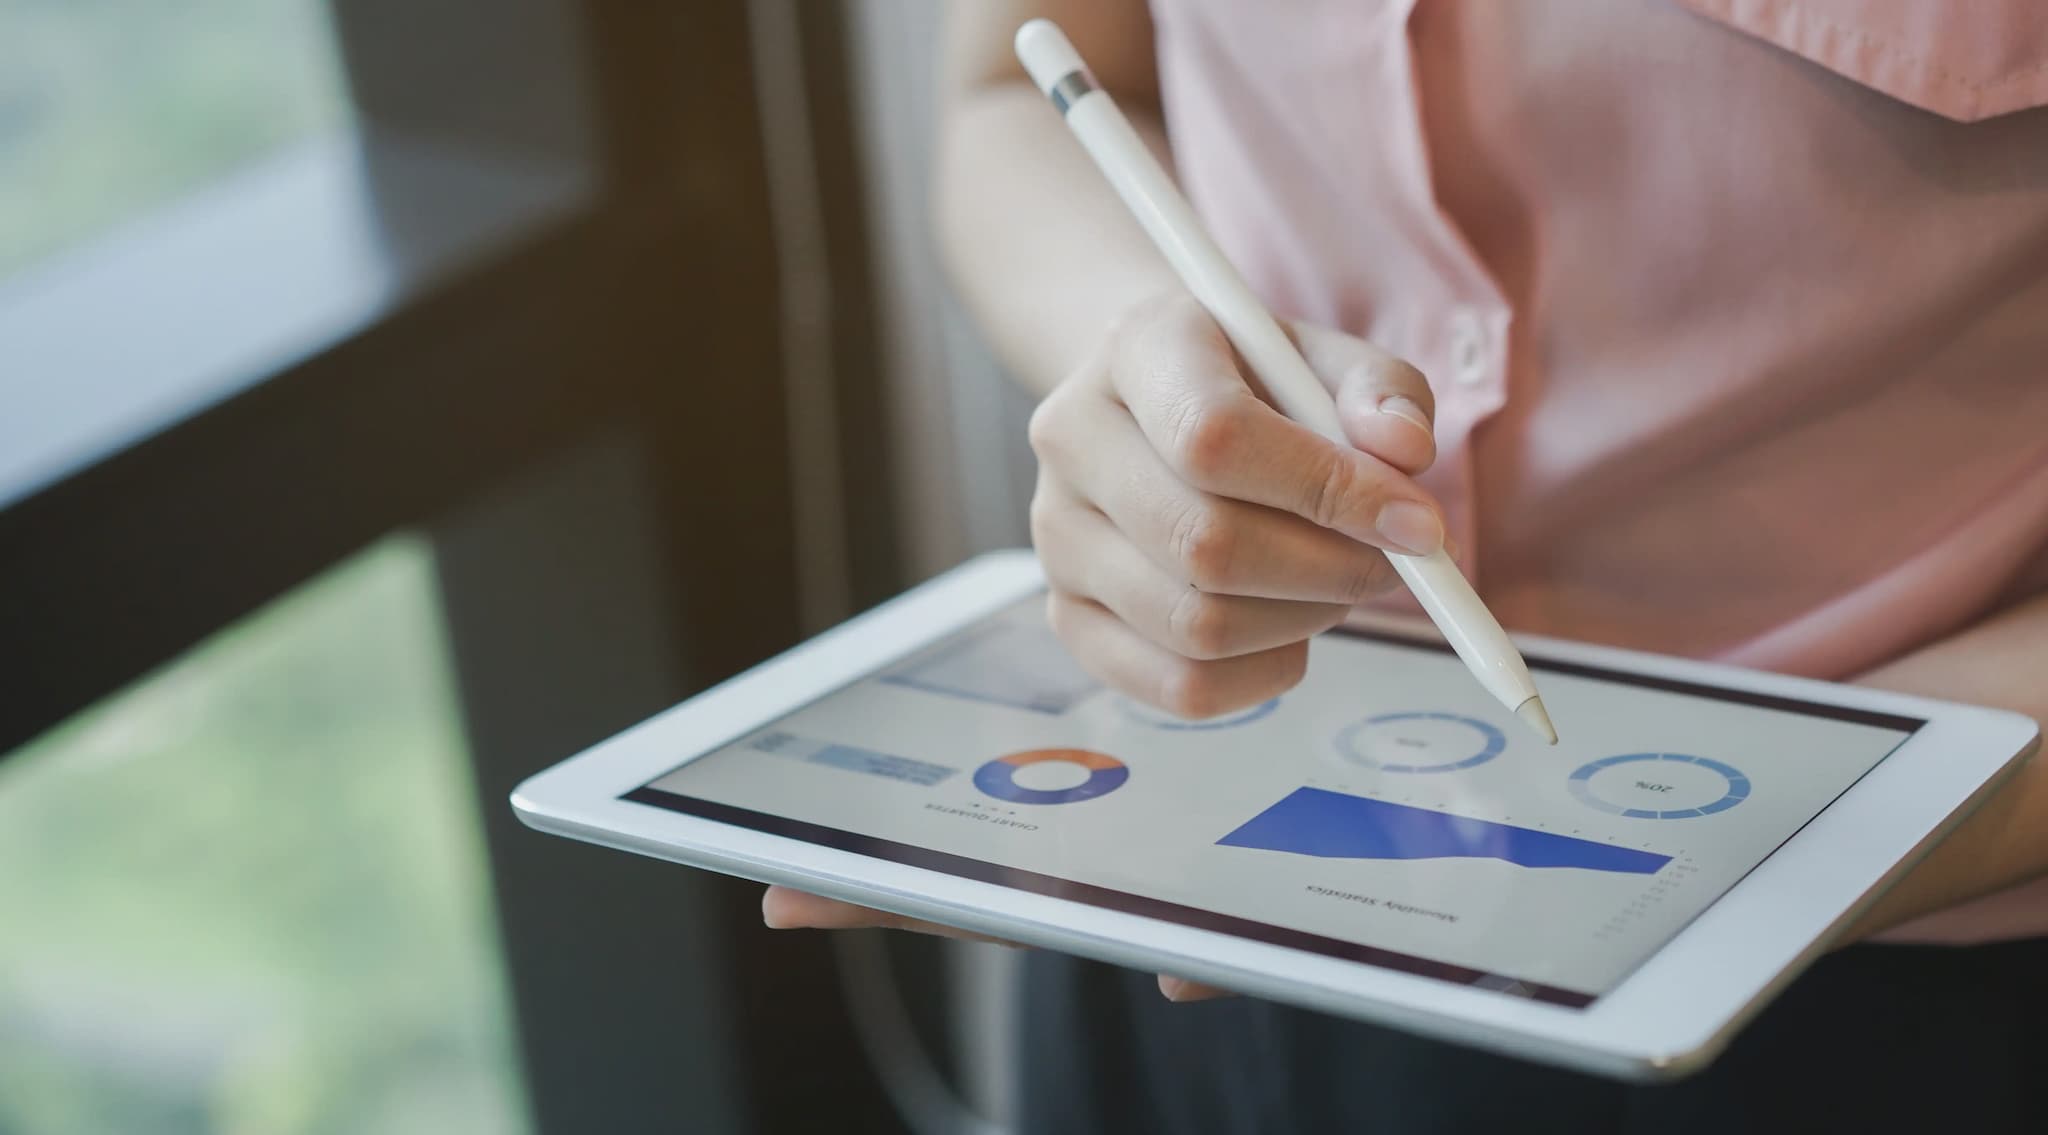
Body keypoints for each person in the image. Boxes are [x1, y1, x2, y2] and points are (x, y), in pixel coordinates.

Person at [765, 2, 2048, 1130]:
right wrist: (1157, 385)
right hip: (1208, 851)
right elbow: (1022, 83)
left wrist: (1744, 838)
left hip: (1883, 964)